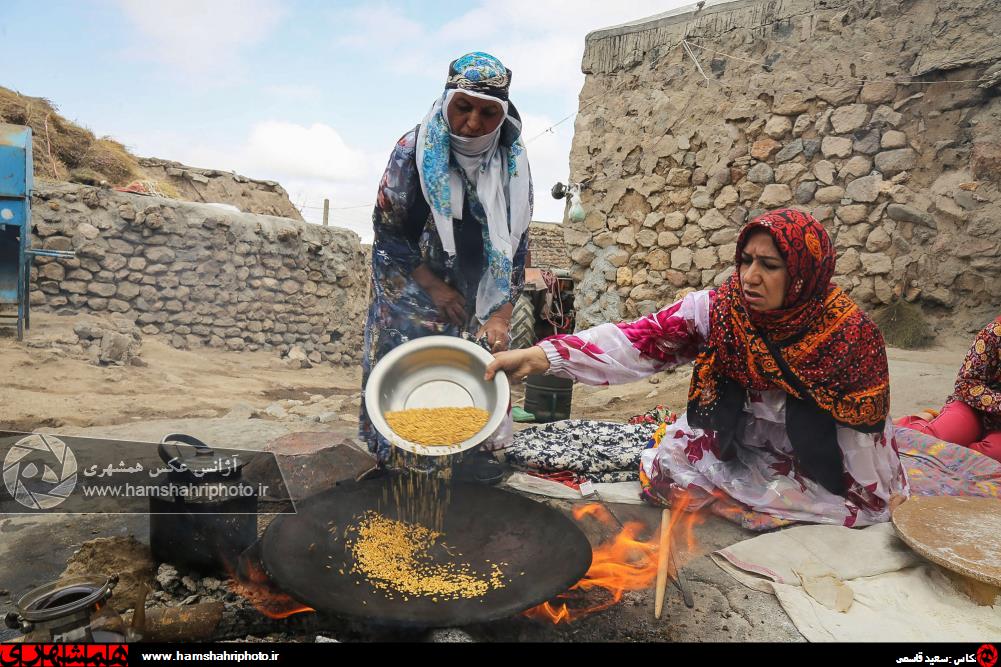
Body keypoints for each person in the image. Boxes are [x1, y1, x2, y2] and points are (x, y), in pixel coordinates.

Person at [487, 209, 908, 526]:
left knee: (859, 509)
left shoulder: (847, 334)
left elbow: (861, 426)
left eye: (770, 265)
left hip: (818, 446)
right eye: (745, 260)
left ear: (805, 272)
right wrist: (541, 356)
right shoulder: (722, 310)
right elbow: (638, 340)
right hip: (741, 434)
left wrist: (867, 490)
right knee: (669, 471)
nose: (750, 277)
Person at [359, 52, 532, 469]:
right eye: (464, 107)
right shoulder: (412, 151)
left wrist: (502, 316)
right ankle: (395, 465)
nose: (473, 123)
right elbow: (388, 231)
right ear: (447, 101)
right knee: (407, 376)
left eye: (488, 113)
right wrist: (434, 287)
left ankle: (459, 466)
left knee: (473, 373)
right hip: (410, 288)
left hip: (475, 289)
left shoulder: (513, 162)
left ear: (503, 114)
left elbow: (517, 242)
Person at [897, 316, 1001, 462]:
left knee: (989, 458)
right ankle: (921, 422)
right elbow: (966, 384)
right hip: (974, 408)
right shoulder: (994, 332)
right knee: (932, 443)